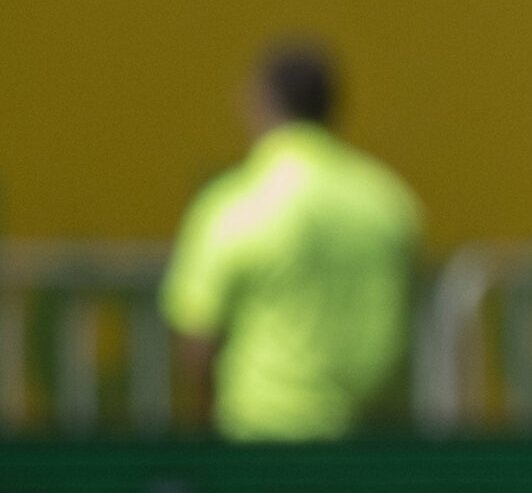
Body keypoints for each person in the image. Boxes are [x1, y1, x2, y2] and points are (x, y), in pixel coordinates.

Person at [162, 41, 423, 440]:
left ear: (259, 102)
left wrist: (204, 428)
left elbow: (197, 335)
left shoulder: (235, 203)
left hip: (262, 437)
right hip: (372, 443)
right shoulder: (388, 201)